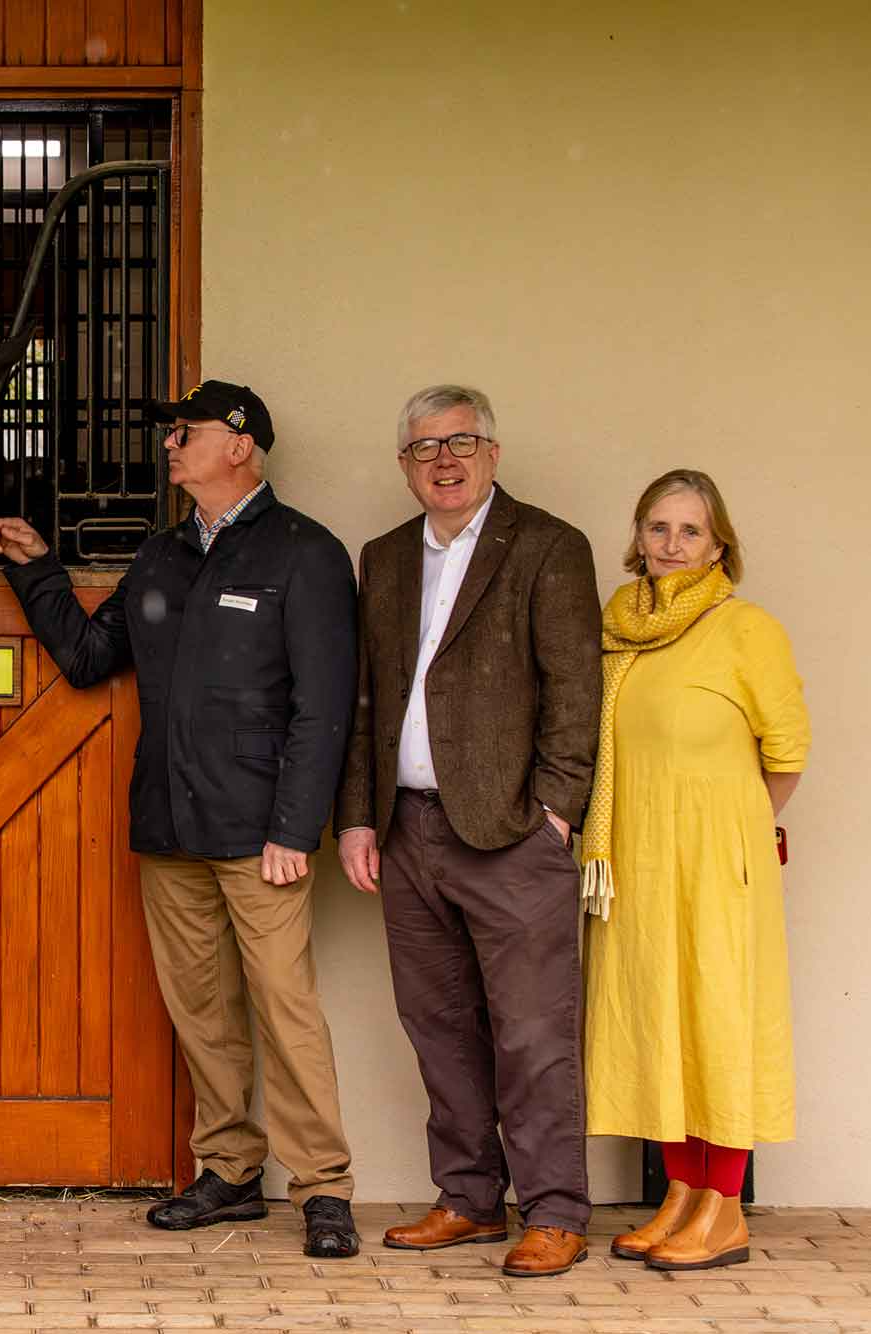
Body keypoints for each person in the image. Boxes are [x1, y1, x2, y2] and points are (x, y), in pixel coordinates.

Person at [0, 380, 364, 1259]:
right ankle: (229, 1170)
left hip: (259, 832)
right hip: (167, 825)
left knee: (286, 1007)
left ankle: (323, 1189)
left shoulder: (305, 553)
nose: (169, 445)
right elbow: (88, 659)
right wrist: (36, 567)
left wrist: (293, 826)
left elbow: (325, 705)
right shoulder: (161, 558)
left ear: (240, 445)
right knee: (202, 1009)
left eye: (184, 432)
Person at [334, 384, 601, 1278]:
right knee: (438, 1025)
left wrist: (556, 812)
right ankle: (471, 1198)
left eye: (462, 443)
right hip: (407, 834)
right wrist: (360, 816)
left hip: (512, 833)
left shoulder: (550, 546)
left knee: (532, 1032)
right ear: (404, 466)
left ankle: (556, 1209)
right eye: (425, 449)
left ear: (492, 453)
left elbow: (574, 691)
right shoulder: (383, 557)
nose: (444, 461)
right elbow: (368, 697)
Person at [582, 470, 809, 1271]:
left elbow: (786, 754)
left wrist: (737, 827)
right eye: (658, 528)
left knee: (717, 1019)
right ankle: (681, 1193)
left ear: (720, 545)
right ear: (637, 537)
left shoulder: (747, 629)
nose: (672, 545)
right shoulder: (617, 627)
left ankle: (726, 1208)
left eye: (690, 531)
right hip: (637, 858)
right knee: (658, 1022)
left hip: (717, 860)